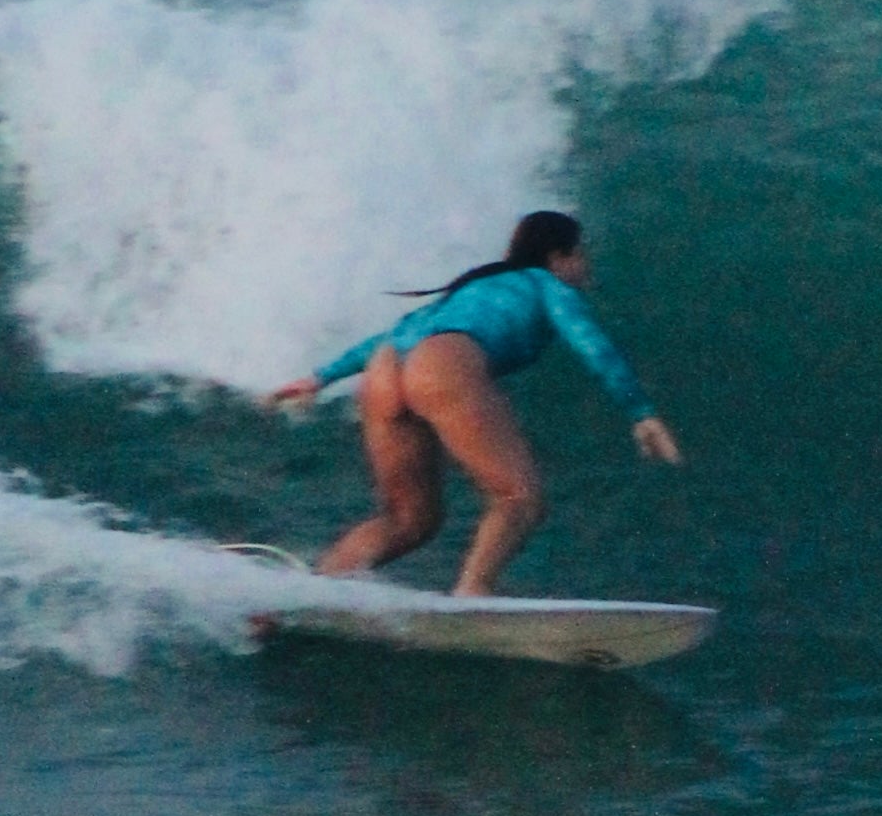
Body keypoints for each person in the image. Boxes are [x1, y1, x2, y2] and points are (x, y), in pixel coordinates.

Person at [266, 210, 683, 594]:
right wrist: (640, 413)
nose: (586, 265)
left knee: (409, 521)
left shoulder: (472, 287)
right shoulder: (547, 285)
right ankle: (473, 591)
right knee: (519, 498)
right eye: (581, 254)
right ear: (558, 256)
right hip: (443, 365)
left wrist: (320, 378)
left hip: (385, 368)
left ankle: (313, 591)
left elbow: (394, 335)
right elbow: (593, 346)